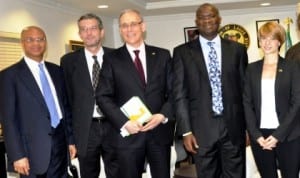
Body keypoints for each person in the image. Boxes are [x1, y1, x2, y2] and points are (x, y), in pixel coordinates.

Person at [96, 9, 174, 178]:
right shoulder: (111, 58)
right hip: (128, 136)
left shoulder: (162, 55)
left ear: (143, 26)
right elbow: (102, 96)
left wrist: (162, 115)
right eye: (124, 25)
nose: (129, 29)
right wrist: (124, 123)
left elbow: (174, 92)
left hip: (159, 133)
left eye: (133, 24)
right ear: (120, 30)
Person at [173, 3, 248, 178]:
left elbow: (245, 92)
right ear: (197, 22)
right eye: (202, 17)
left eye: (211, 16)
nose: (207, 20)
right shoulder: (182, 53)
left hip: (233, 128)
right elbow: (179, 95)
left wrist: (247, 128)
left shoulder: (237, 50)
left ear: (219, 19)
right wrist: (186, 131)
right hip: (201, 130)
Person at [0, 26, 76, 178]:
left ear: (45, 42)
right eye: (30, 39)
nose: (36, 43)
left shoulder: (56, 71)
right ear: (23, 43)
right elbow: (8, 120)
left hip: (61, 143)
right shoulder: (9, 76)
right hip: (31, 151)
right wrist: (17, 155)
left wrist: (71, 141)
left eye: (40, 39)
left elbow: (65, 108)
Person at [60, 13, 118, 178]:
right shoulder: (68, 62)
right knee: (88, 174)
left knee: (117, 172)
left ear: (102, 31)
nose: (89, 33)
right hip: (85, 130)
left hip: (113, 126)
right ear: (79, 34)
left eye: (93, 28)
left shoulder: (117, 57)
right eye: (83, 29)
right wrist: (70, 137)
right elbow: (67, 101)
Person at [243, 21, 300, 178]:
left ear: (279, 41)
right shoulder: (251, 69)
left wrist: (278, 136)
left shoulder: (292, 67)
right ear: (259, 42)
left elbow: (297, 103)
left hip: (288, 134)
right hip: (260, 137)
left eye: (271, 38)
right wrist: (256, 135)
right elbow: (247, 103)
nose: (267, 43)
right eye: (263, 38)